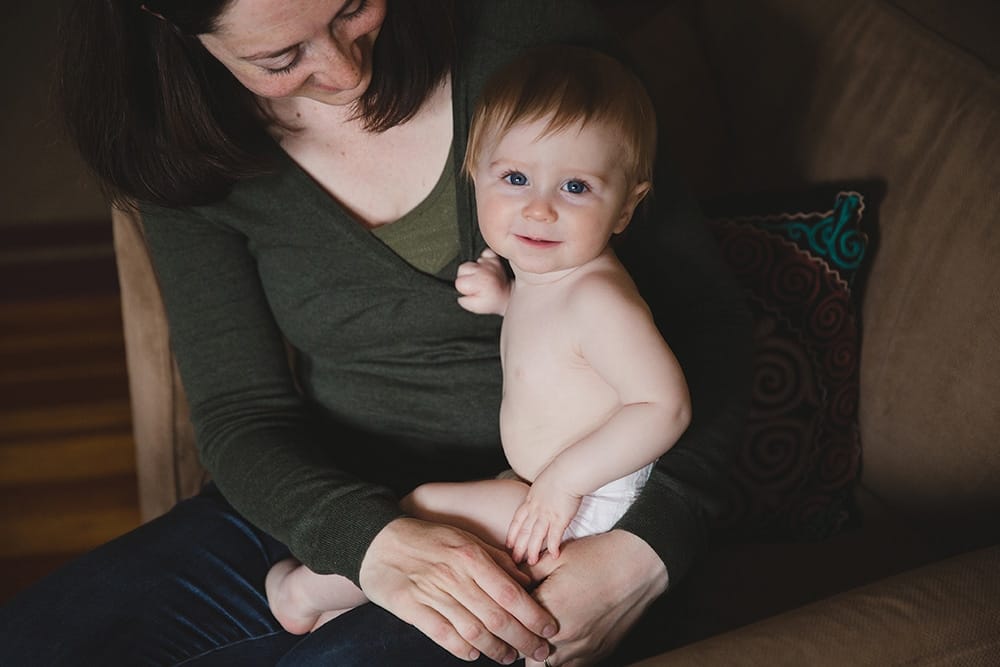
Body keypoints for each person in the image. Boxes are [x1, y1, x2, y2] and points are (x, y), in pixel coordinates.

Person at [0, 0, 752, 665]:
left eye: (353, 6)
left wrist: (641, 555)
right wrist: (367, 541)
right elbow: (240, 412)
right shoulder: (174, 142)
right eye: (281, 56)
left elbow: (708, 333)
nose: (344, 70)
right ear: (168, 21)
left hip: (545, 533)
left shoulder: (533, 41)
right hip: (326, 495)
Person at [264, 45, 693, 643]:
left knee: (423, 512)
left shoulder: (602, 300)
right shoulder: (552, 279)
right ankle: (358, 610)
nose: (539, 208)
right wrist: (505, 300)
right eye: (515, 178)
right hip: (543, 488)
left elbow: (664, 406)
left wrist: (562, 484)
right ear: (476, 173)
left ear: (626, 206)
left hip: (588, 506)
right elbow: (562, 349)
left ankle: (302, 594)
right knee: (452, 543)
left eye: (576, 186)